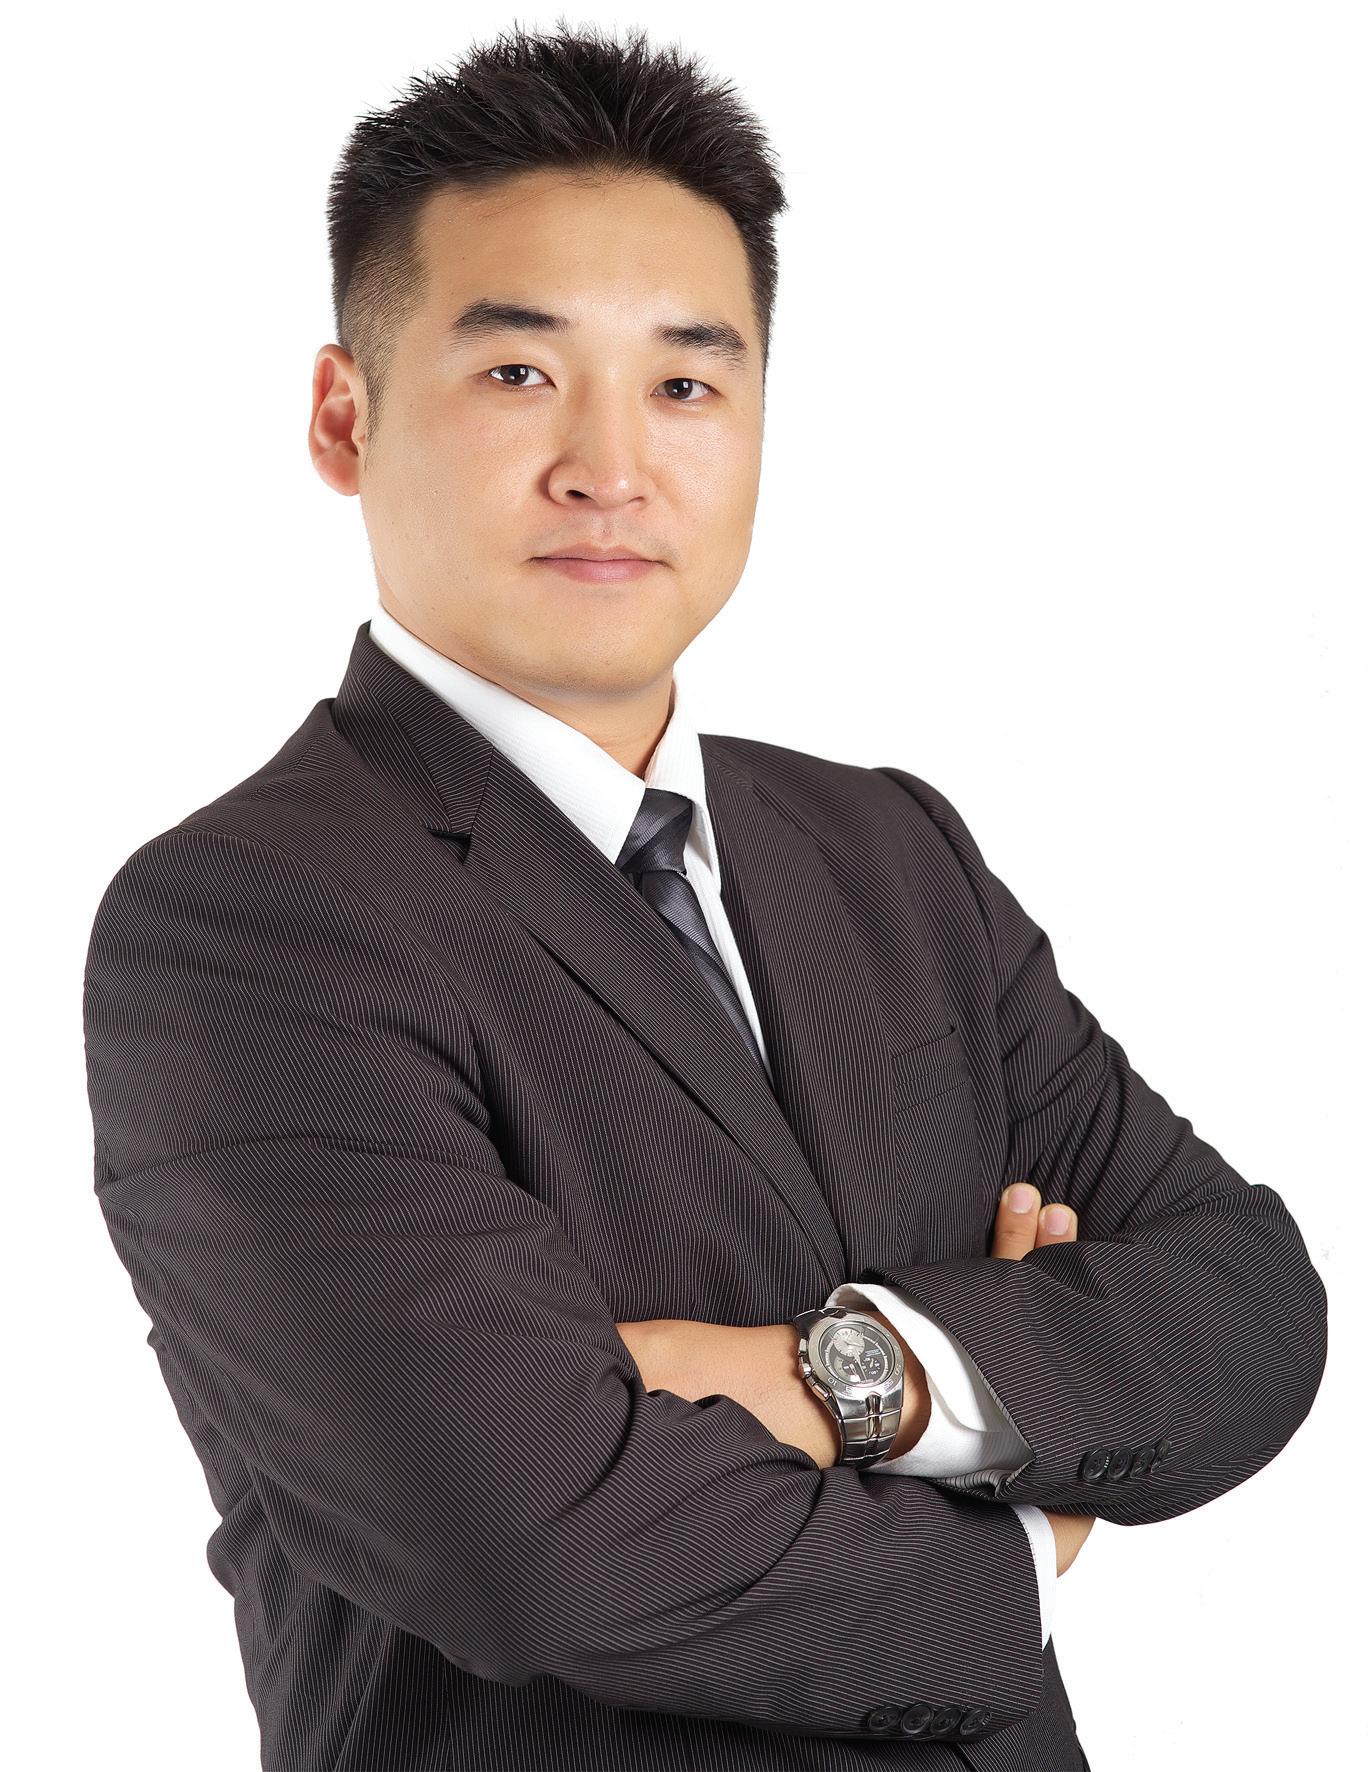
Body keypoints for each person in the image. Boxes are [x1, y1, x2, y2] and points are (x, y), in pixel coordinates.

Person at [81, 20, 1327, 1771]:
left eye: (686, 385)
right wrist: (1019, 1529)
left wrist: (856, 1374)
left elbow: (1248, 1302)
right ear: (343, 416)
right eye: (521, 372)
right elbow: (541, 1537)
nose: (612, 465)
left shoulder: (888, 852)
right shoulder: (248, 925)